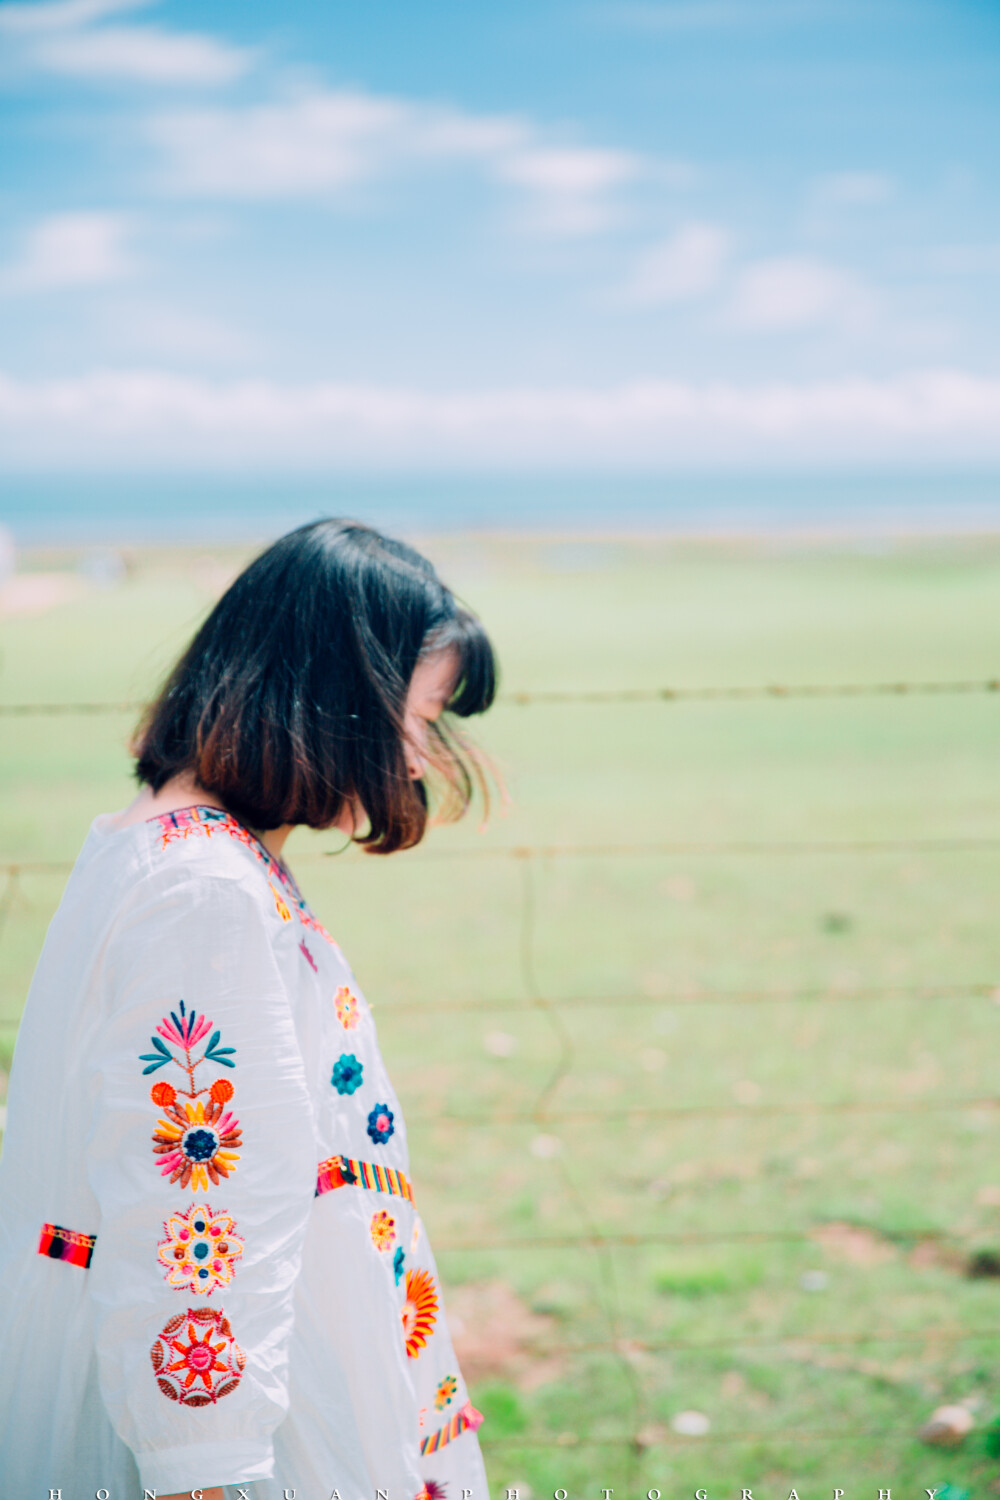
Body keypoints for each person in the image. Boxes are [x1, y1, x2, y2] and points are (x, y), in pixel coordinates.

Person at [0, 519, 498, 1500]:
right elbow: (193, 1212)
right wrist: (204, 1466)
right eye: (418, 716)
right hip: (247, 1434)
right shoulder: (207, 892)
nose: (419, 759)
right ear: (338, 697)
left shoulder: (160, 846)